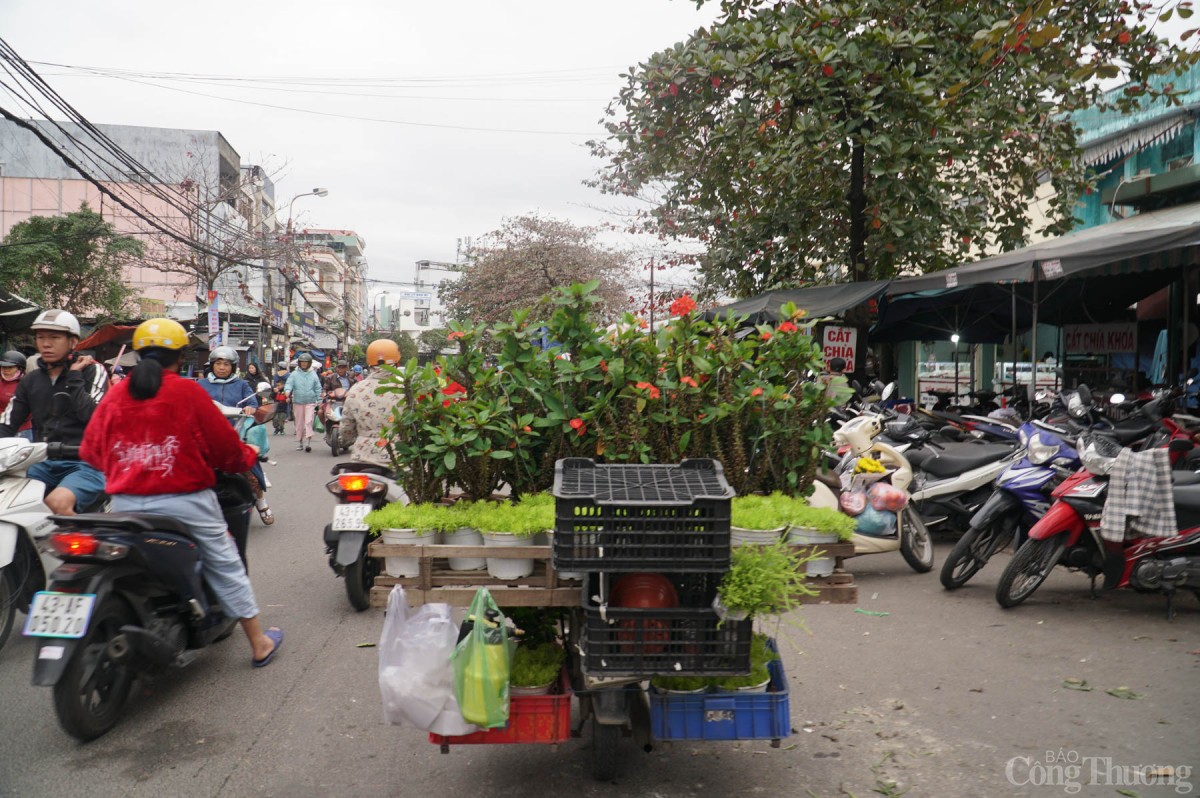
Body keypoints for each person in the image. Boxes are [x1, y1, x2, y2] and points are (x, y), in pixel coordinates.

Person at [79, 318, 283, 668]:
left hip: (126, 506)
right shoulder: (188, 392)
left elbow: (92, 452)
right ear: (181, 356)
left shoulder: (116, 394)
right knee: (226, 562)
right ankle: (259, 643)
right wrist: (247, 455)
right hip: (186, 503)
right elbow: (225, 450)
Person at [0, 310, 108, 514]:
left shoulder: (93, 371)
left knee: (57, 503)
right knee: (8, 505)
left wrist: (75, 377)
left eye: (55, 337)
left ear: (73, 341)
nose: (46, 344)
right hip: (42, 462)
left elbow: (94, 418)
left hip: (87, 463)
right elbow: (7, 424)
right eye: (41, 337)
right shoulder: (31, 380)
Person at [198, 346, 274, 525]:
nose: (222, 368)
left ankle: (261, 502)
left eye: (226, 364)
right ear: (212, 365)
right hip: (206, 437)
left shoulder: (242, 385)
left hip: (235, 435)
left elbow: (252, 404)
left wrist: (250, 408)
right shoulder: (201, 385)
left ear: (233, 367)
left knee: (249, 469)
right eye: (218, 364)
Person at [339, 339, 401, 467]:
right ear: (397, 363)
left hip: (362, 459)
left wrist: (345, 441)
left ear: (369, 364)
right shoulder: (405, 389)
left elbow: (346, 427)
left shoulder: (356, 389)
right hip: (397, 460)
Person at [284, 351, 321, 452]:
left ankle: (308, 443)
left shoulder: (313, 374)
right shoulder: (294, 374)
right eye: (302, 362)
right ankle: (300, 442)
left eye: (305, 362)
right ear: (299, 363)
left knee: (308, 421)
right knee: (299, 423)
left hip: (310, 401)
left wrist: (320, 400)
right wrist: (287, 391)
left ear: (309, 363)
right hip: (298, 402)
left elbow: (318, 388)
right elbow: (289, 384)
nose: (303, 364)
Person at [0, 350, 33, 440]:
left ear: (20, 368)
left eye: (10, 367)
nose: (6, 370)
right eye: (3, 367)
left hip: (20, 431)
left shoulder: (25, 384)